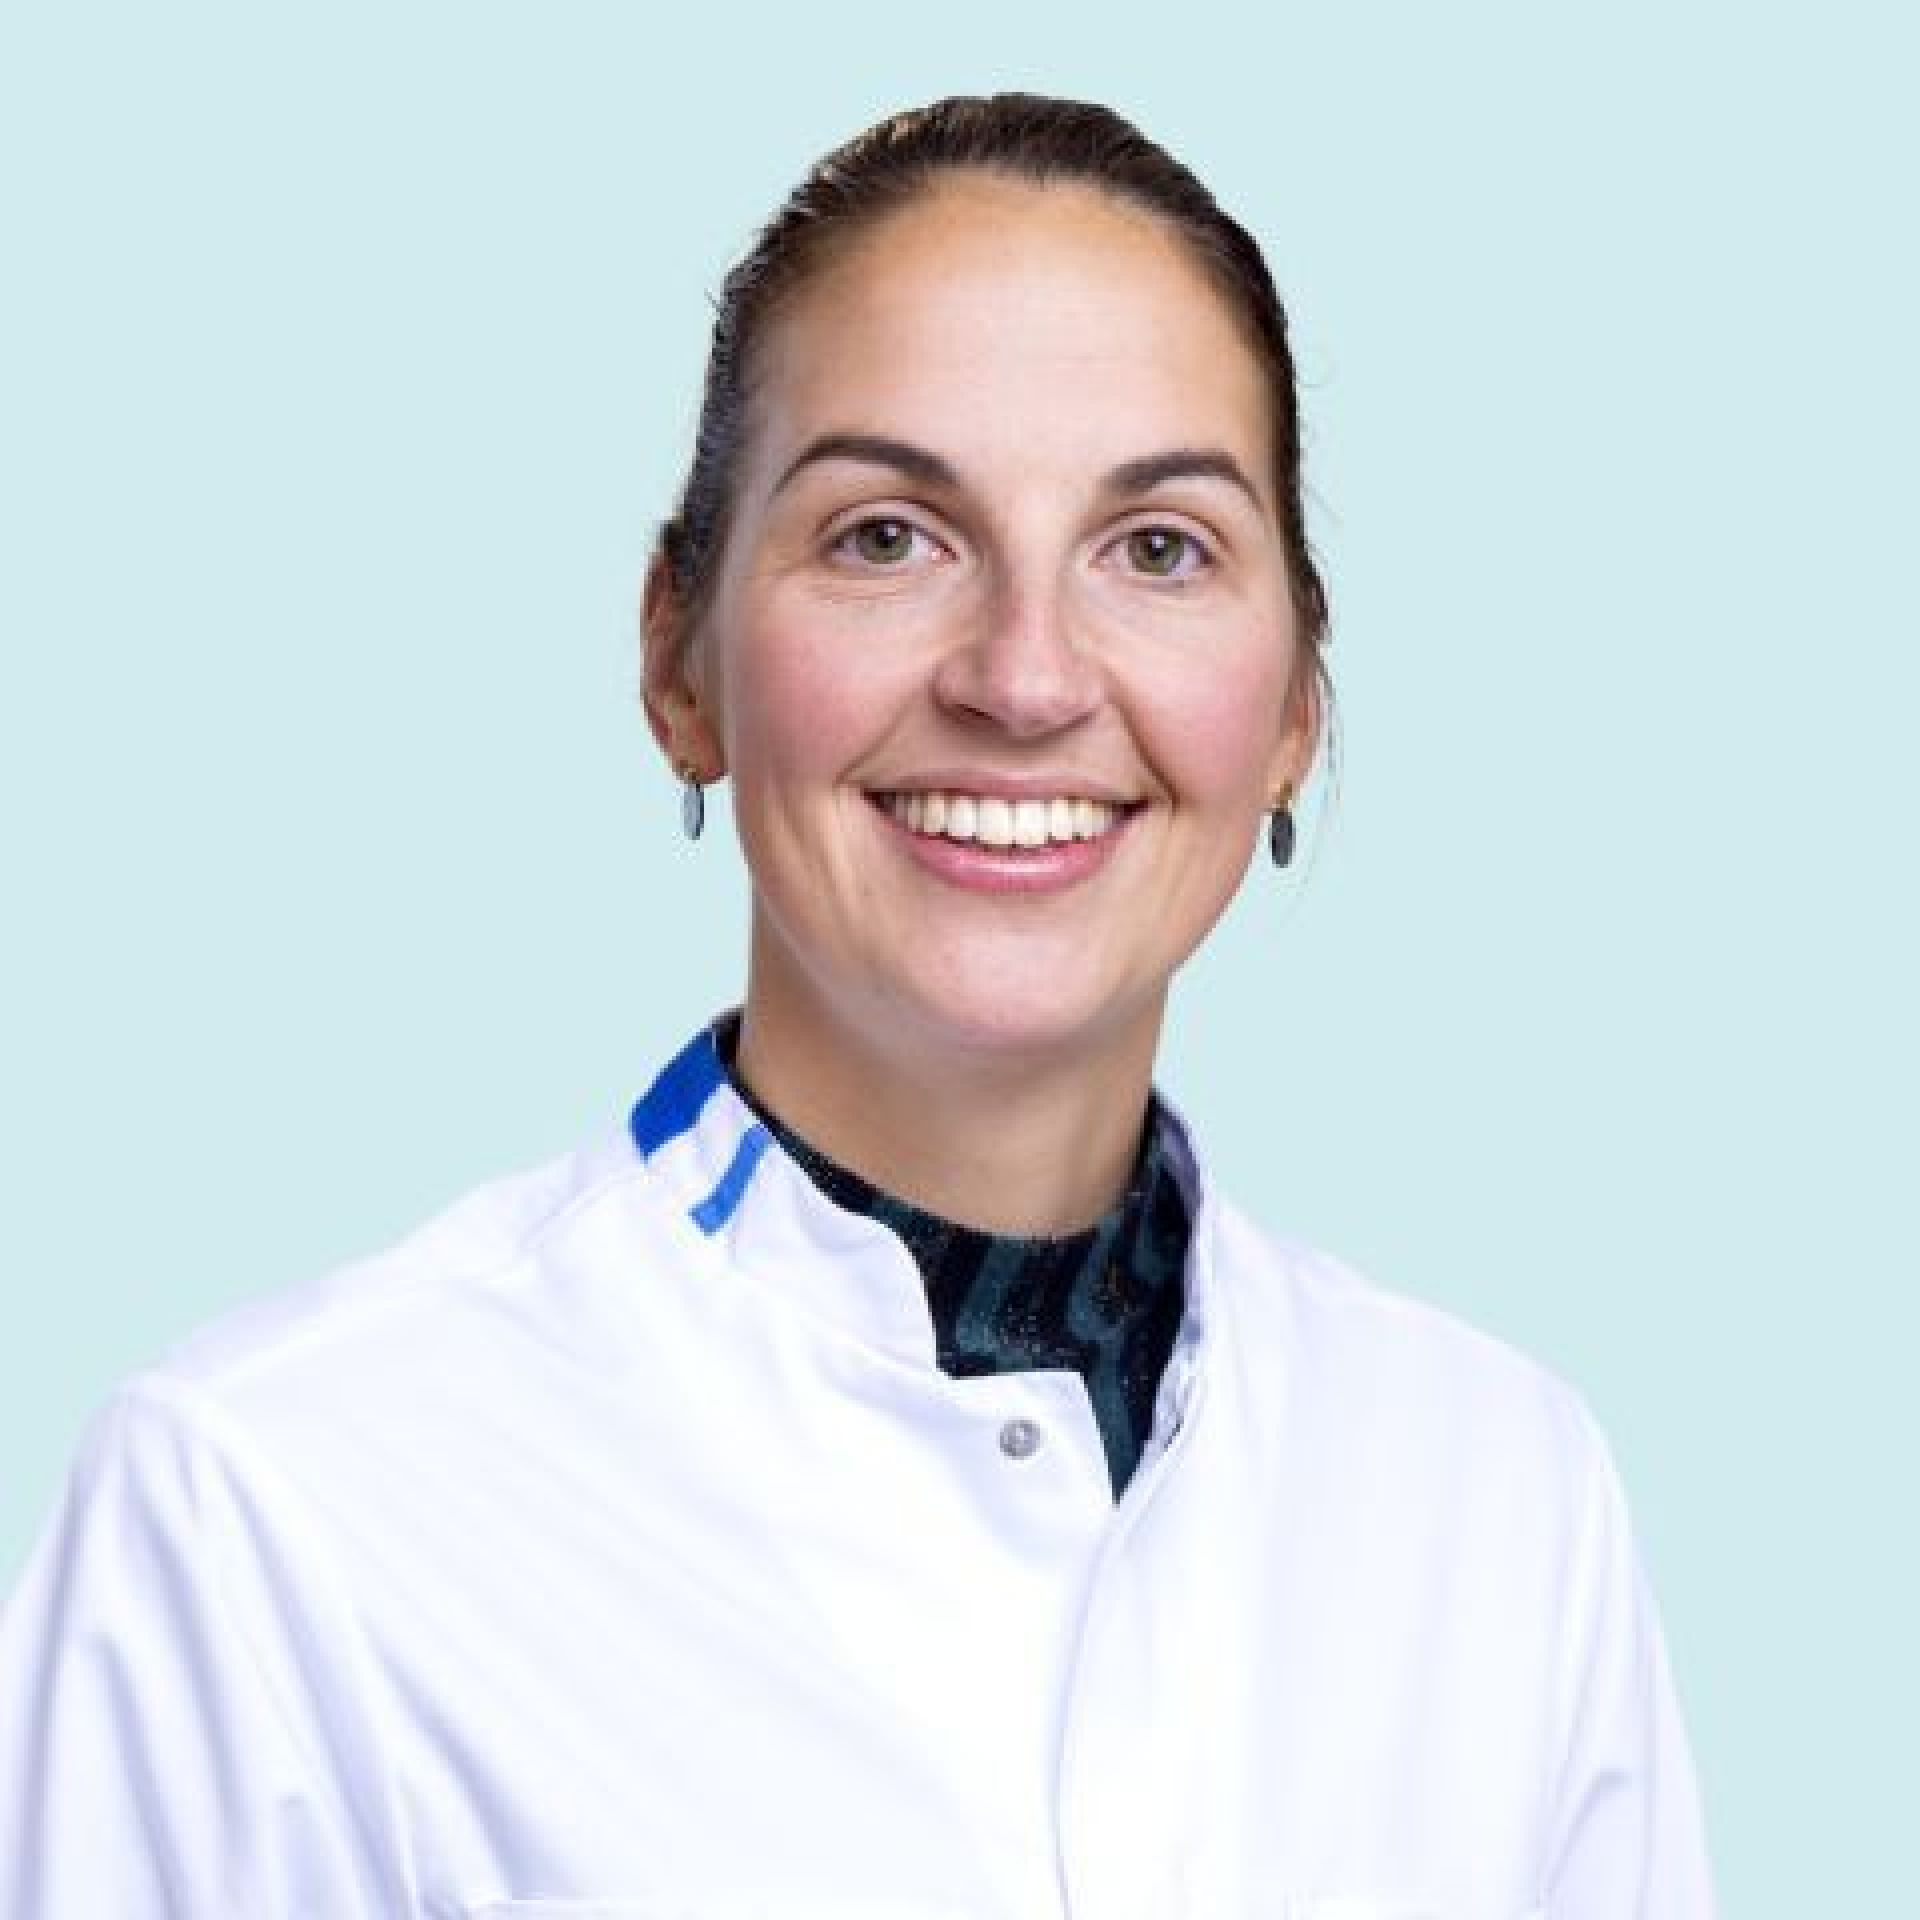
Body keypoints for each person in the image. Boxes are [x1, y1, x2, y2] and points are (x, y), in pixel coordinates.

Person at [0, 93, 1716, 1918]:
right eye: (890, 536)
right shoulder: (271, 1508)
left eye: (1157, 548)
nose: (1026, 681)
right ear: (679, 660)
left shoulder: (1501, 1495)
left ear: (1295, 705)